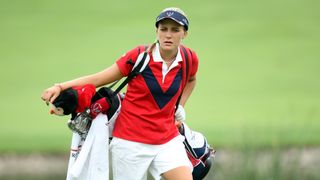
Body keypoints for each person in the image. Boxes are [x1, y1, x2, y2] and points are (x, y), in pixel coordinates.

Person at [41, 7, 199, 180]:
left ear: (184, 33)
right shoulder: (139, 56)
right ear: (157, 31)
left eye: (175, 30)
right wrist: (60, 86)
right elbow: (98, 78)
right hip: (130, 143)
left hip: (167, 139)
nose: (168, 35)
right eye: (164, 29)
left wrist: (180, 106)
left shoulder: (189, 58)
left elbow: (191, 80)